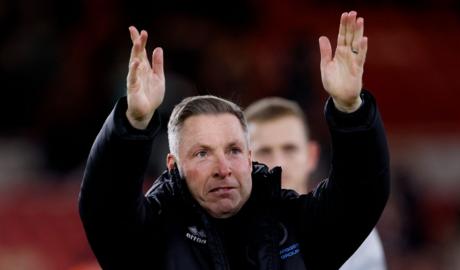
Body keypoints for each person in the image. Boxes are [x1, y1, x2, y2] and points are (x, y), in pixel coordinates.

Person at [78, 11, 390, 270]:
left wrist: (351, 111)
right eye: (202, 153)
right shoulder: (149, 237)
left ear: (250, 156)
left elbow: (360, 195)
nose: (223, 168)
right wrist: (133, 123)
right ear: (173, 165)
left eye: (233, 150)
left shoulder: (293, 226)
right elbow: (105, 208)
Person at [245, 97, 386, 270]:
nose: (278, 163)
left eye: (290, 149)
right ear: (245, 160)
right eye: (264, 151)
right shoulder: (227, 232)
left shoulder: (352, 229)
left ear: (312, 155)